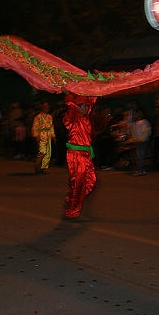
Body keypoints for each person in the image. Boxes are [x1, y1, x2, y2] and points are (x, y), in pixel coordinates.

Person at [63, 93, 97, 222]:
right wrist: (68, 94)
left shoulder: (86, 118)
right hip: (76, 155)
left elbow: (92, 100)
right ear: (78, 107)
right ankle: (72, 211)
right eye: (84, 106)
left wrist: (96, 89)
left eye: (87, 106)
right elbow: (71, 107)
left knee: (91, 181)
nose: (87, 108)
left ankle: (72, 198)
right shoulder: (72, 118)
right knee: (78, 184)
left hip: (86, 155)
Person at [32, 102, 56, 174]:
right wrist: (36, 135)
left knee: (48, 152)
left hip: (48, 135)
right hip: (41, 135)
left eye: (48, 108)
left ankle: (44, 167)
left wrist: (53, 135)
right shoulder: (38, 117)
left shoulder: (49, 116)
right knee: (42, 151)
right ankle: (37, 165)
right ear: (42, 108)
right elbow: (35, 126)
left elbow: (51, 126)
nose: (47, 109)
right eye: (45, 108)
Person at [128, 109, 152, 176]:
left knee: (141, 155)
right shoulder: (135, 123)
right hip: (138, 141)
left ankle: (141, 169)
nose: (136, 115)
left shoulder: (145, 122)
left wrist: (142, 139)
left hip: (142, 141)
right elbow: (134, 132)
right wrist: (134, 139)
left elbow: (147, 131)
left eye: (138, 113)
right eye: (136, 114)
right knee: (139, 156)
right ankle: (140, 169)